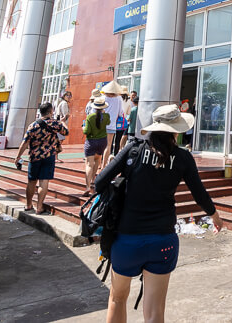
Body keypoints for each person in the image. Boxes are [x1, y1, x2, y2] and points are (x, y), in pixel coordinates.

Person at [95, 104, 225, 323]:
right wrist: (215, 216)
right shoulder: (183, 158)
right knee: (155, 311)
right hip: (162, 241)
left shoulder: (133, 149)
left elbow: (99, 183)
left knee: (117, 299)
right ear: (176, 130)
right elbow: (199, 194)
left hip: (127, 239)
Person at [14, 102, 68, 214]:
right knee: (44, 181)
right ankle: (39, 207)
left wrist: (18, 156)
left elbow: (24, 143)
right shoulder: (55, 124)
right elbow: (66, 132)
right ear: (51, 111)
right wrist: (63, 122)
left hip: (34, 157)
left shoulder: (33, 125)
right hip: (49, 156)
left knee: (31, 181)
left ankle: (28, 205)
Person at [83, 96, 111, 194]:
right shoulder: (107, 116)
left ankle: (87, 187)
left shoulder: (90, 117)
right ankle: (93, 182)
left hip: (91, 141)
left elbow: (86, 131)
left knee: (89, 164)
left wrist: (83, 128)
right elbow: (108, 122)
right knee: (97, 161)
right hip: (102, 141)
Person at [99, 80, 126, 158]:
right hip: (112, 124)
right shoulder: (119, 98)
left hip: (101, 124)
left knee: (100, 144)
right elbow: (121, 112)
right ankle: (104, 165)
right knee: (108, 145)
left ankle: (99, 163)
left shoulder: (103, 97)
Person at [55, 90, 72, 163]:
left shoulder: (61, 103)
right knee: (59, 141)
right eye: (67, 95)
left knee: (59, 140)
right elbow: (65, 115)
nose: (69, 97)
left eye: (70, 95)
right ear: (63, 96)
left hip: (59, 123)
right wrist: (68, 115)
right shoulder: (64, 103)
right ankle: (55, 157)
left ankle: (55, 157)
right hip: (61, 124)